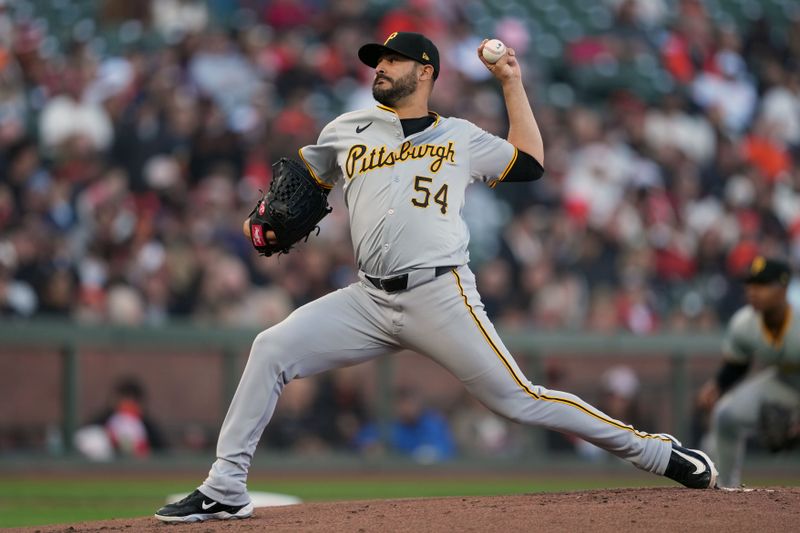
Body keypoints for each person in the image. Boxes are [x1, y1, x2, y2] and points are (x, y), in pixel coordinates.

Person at [156, 31, 717, 523]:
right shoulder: (348, 127)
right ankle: (225, 490)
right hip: (368, 300)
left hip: (440, 294)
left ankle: (657, 454)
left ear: (425, 71)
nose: (380, 67)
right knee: (270, 348)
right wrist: (269, 223)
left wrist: (511, 81)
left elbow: (530, 161)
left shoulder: (460, 136)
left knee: (520, 400)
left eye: (393, 60)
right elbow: (303, 177)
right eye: (377, 60)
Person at [697, 256, 800, 488]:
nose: (753, 291)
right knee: (726, 415)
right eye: (751, 285)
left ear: (783, 289)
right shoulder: (744, 323)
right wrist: (717, 385)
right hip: (784, 382)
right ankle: (725, 486)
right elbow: (738, 363)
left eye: (762, 285)